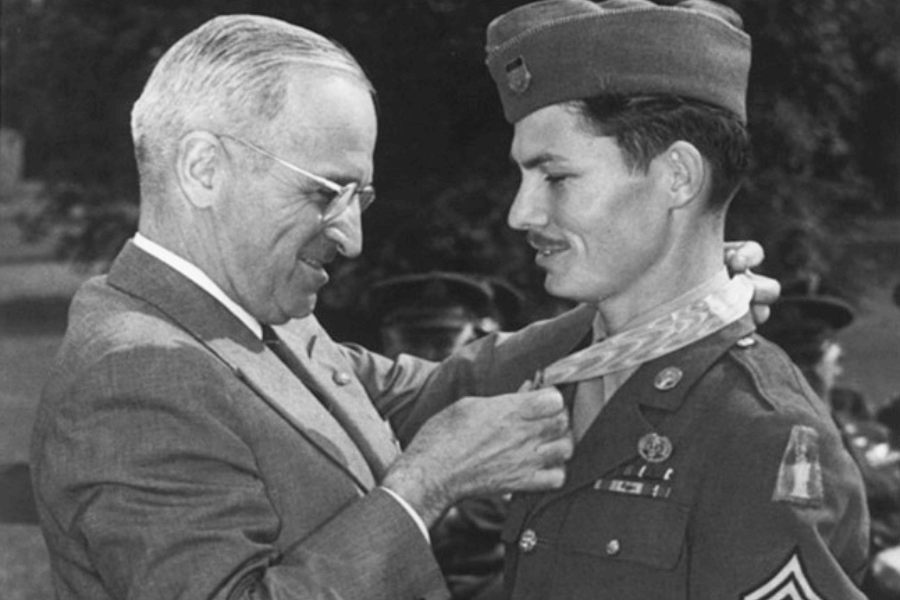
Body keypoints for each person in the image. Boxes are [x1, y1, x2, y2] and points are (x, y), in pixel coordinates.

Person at [30, 12, 775, 600]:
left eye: (361, 197)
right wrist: (425, 486)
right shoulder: (136, 375)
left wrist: (658, 299)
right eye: (324, 192)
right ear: (203, 168)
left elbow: (425, 394)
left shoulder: (249, 315)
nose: (351, 237)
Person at [482, 1, 869, 598]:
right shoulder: (561, 375)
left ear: (678, 178)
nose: (521, 213)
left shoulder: (763, 434)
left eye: (556, 177)